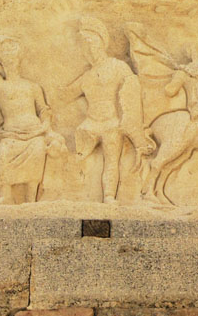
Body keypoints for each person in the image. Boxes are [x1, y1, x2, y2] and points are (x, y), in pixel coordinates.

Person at [65, 17, 155, 204]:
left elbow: (131, 96)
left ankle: (108, 197)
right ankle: (75, 193)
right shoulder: (86, 77)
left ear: (102, 42)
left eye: (92, 44)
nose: (89, 50)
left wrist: (135, 133)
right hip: (90, 124)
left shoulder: (118, 67)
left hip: (112, 123)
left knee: (111, 161)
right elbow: (65, 96)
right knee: (78, 158)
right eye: (85, 46)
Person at [0, 36, 66, 204]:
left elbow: (43, 110)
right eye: (5, 58)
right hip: (11, 135)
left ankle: (31, 199)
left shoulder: (32, 86)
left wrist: (45, 127)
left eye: (13, 57)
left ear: (19, 60)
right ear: (0, 63)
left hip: (34, 133)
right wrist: (2, 39)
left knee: (38, 149)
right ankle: (5, 196)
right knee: (3, 154)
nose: (10, 61)